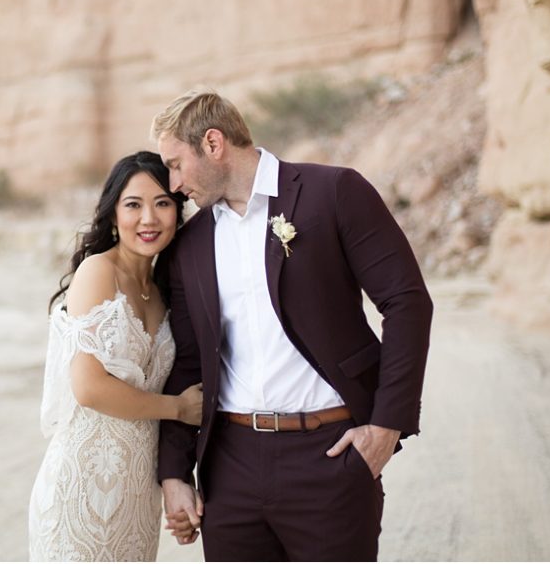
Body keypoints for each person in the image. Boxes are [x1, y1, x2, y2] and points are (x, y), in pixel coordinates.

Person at [152, 90, 432, 561]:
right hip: (229, 467)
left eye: (176, 164)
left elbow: (406, 303)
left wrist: (386, 426)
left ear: (214, 144)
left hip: (329, 458)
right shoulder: (192, 242)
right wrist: (175, 474)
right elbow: (187, 362)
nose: (174, 184)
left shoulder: (334, 192)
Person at [28, 151, 205, 561]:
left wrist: (176, 481)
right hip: (81, 485)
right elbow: (89, 387)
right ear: (112, 216)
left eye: (162, 203)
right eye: (133, 205)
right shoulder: (97, 271)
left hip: (136, 495)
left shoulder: (164, 292)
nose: (149, 219)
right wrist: (177, 408)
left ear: (178, 213)